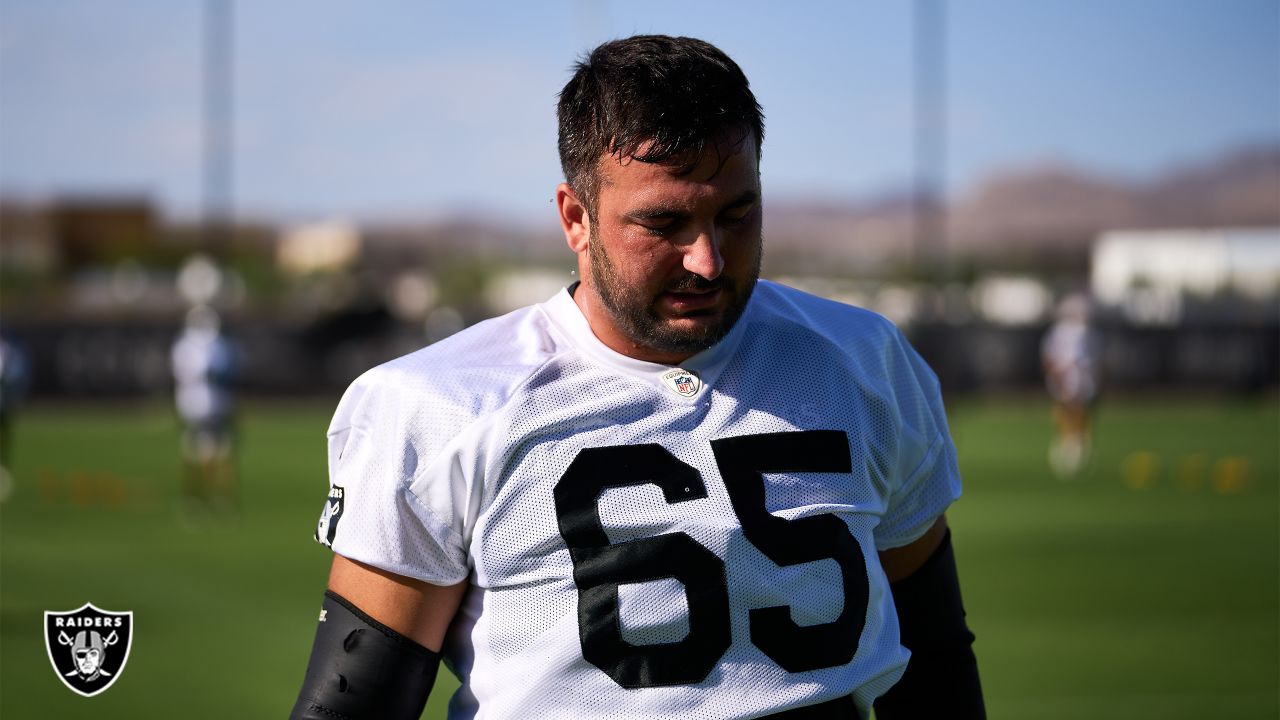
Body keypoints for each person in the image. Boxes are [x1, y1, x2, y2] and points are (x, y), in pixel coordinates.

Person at [292, 35, 983, 720]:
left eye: (736, 215)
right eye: (664, 223)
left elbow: (934, 659)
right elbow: (356, 701)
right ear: (576, 218)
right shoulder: (438, 405)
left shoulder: (862, 361)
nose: (708, 260)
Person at [171, 304, 240, 511]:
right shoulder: (195, 346)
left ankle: (209, 496)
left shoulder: (206, 345)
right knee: (203, 449)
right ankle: (200, 496)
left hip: (206, 404)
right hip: (200, 404)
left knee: (212, 449)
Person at [1041, 292, 1102, 478]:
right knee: (1065, 410)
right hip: (1065, 375)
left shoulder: (1085, 332)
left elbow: (1091, 359)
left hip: (1078, 376)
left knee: (1078, 410)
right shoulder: (1059, 332)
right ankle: (1070, 444)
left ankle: (1077, 445)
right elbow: (1049, 357)